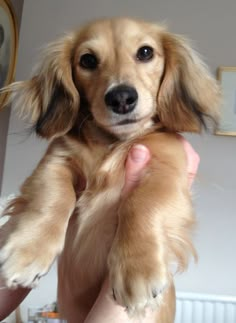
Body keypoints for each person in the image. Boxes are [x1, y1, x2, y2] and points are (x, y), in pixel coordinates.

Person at [0, 138, 200, 322]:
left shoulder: (163, 142)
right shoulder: (70, 140)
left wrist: (140, 248)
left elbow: (168, 191)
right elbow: (54, 169)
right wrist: (45, 219)